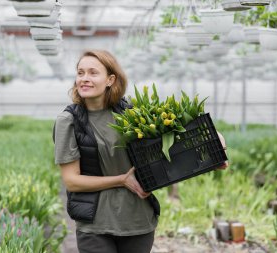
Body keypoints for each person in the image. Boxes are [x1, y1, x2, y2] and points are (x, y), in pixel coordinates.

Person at [53, 49, 228, 253]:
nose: (84, 79)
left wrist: (217, 141)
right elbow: (72, 180)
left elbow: (179, 125)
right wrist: (121, 180)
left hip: (138, 220)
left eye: (93, 73)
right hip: (96, 225)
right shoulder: (69, 121)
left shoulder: (131, 112)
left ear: (110, 79)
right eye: (80, 73)